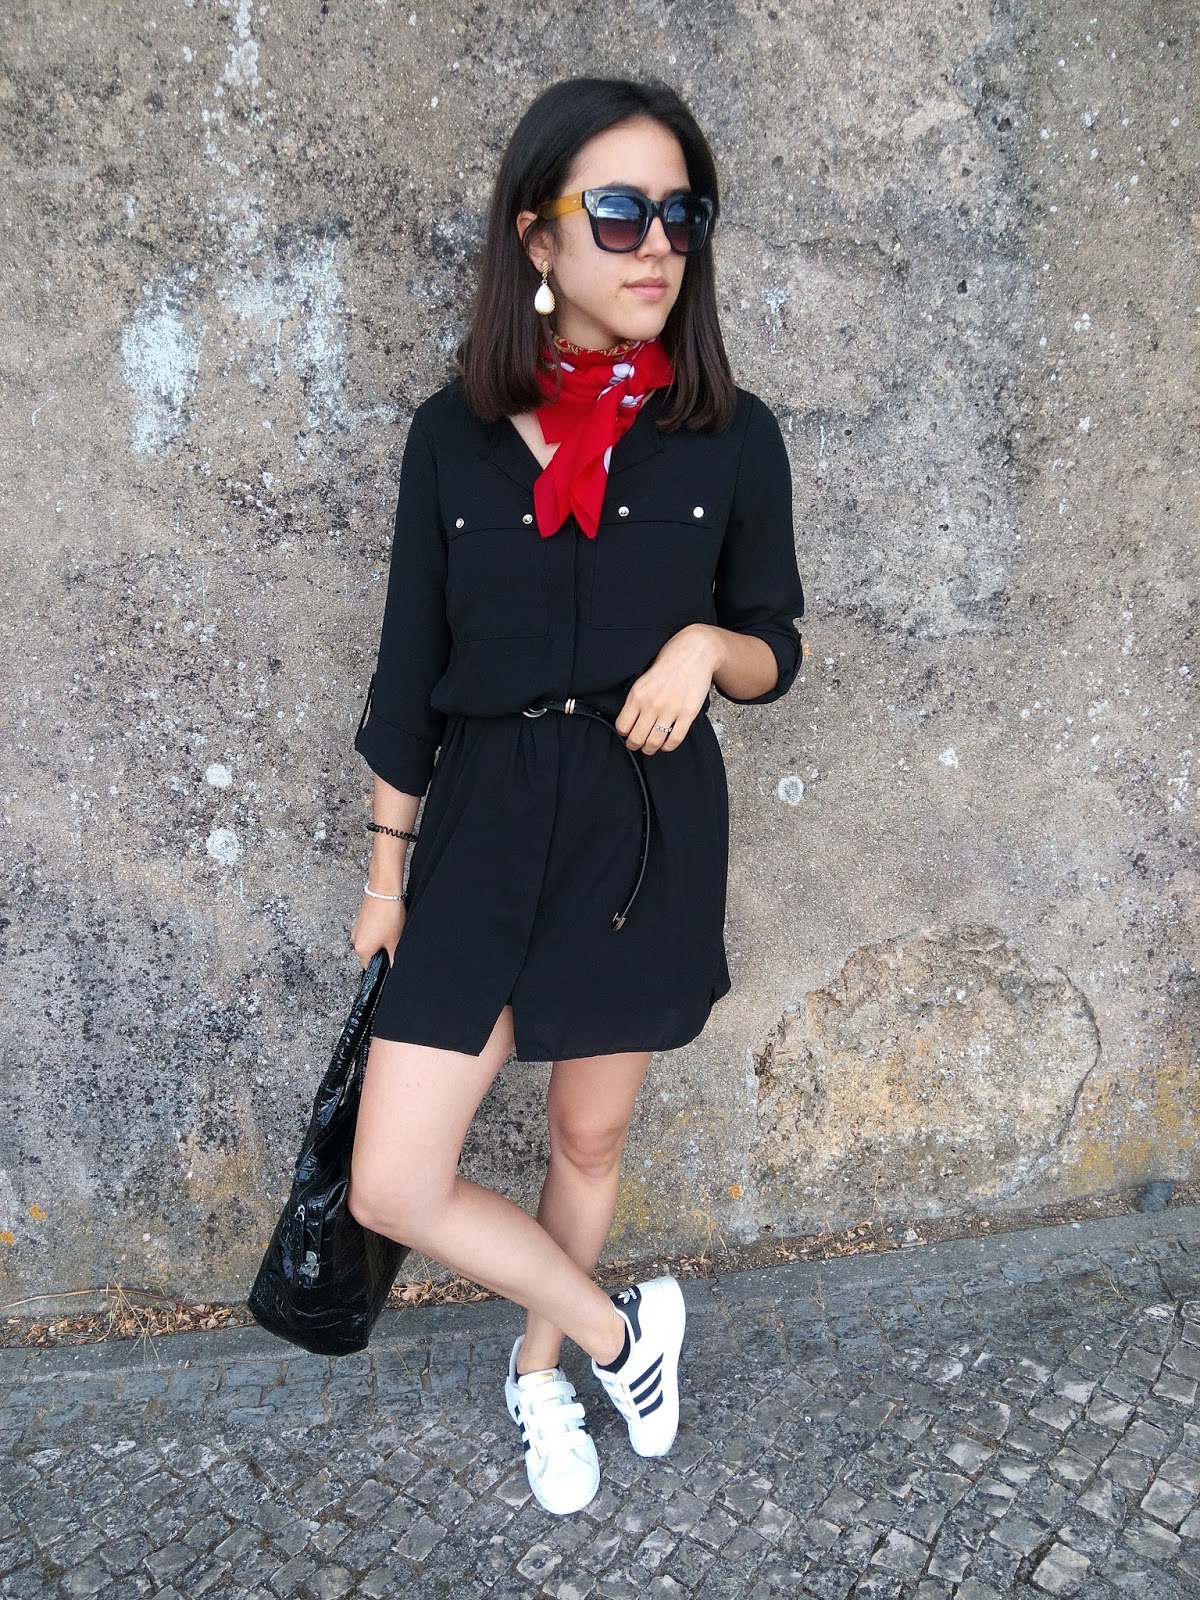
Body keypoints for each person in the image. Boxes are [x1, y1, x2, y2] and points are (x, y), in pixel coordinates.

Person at [345, 76, 805, 1516]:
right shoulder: (452, 437)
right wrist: (384, 876)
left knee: (587, 1138)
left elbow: (775, 644)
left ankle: (542, 1372)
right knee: (391, 1180)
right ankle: (622, 1335)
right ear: (537, 239)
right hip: (482, 822)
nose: (656, 242)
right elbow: (407, 674)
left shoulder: (733, 437)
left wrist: (703, 646)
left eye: (681, 213)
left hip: (640, 825)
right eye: (617, 212)